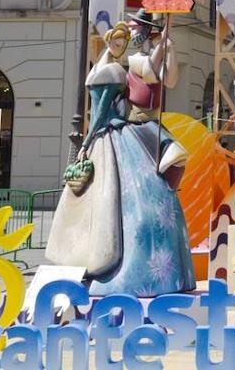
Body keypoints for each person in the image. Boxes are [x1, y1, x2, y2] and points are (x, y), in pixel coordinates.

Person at [46, 16, 195, 296]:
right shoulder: (125, 66)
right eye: (121, 38)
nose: (127, 41)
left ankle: (160, 272)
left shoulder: (133, 62)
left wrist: (170, 46)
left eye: (130, 35)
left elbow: (170, 79)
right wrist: (162, 46)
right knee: (129, 197)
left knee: (172, 165)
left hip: (149, 127)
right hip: (131, 130)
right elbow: (145, 72)